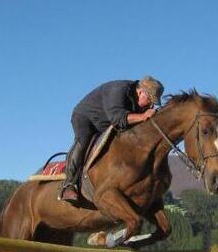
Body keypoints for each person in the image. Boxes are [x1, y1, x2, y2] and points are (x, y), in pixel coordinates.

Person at [59, 76, 164, 204]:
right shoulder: (117, 89)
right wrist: (143, 116)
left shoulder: (138, 101)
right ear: (141, 92)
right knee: (83, 139)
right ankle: (69, 184)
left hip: (106, 122)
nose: (151, 105)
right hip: (86, 118)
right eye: (150, 100)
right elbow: (117, 119)